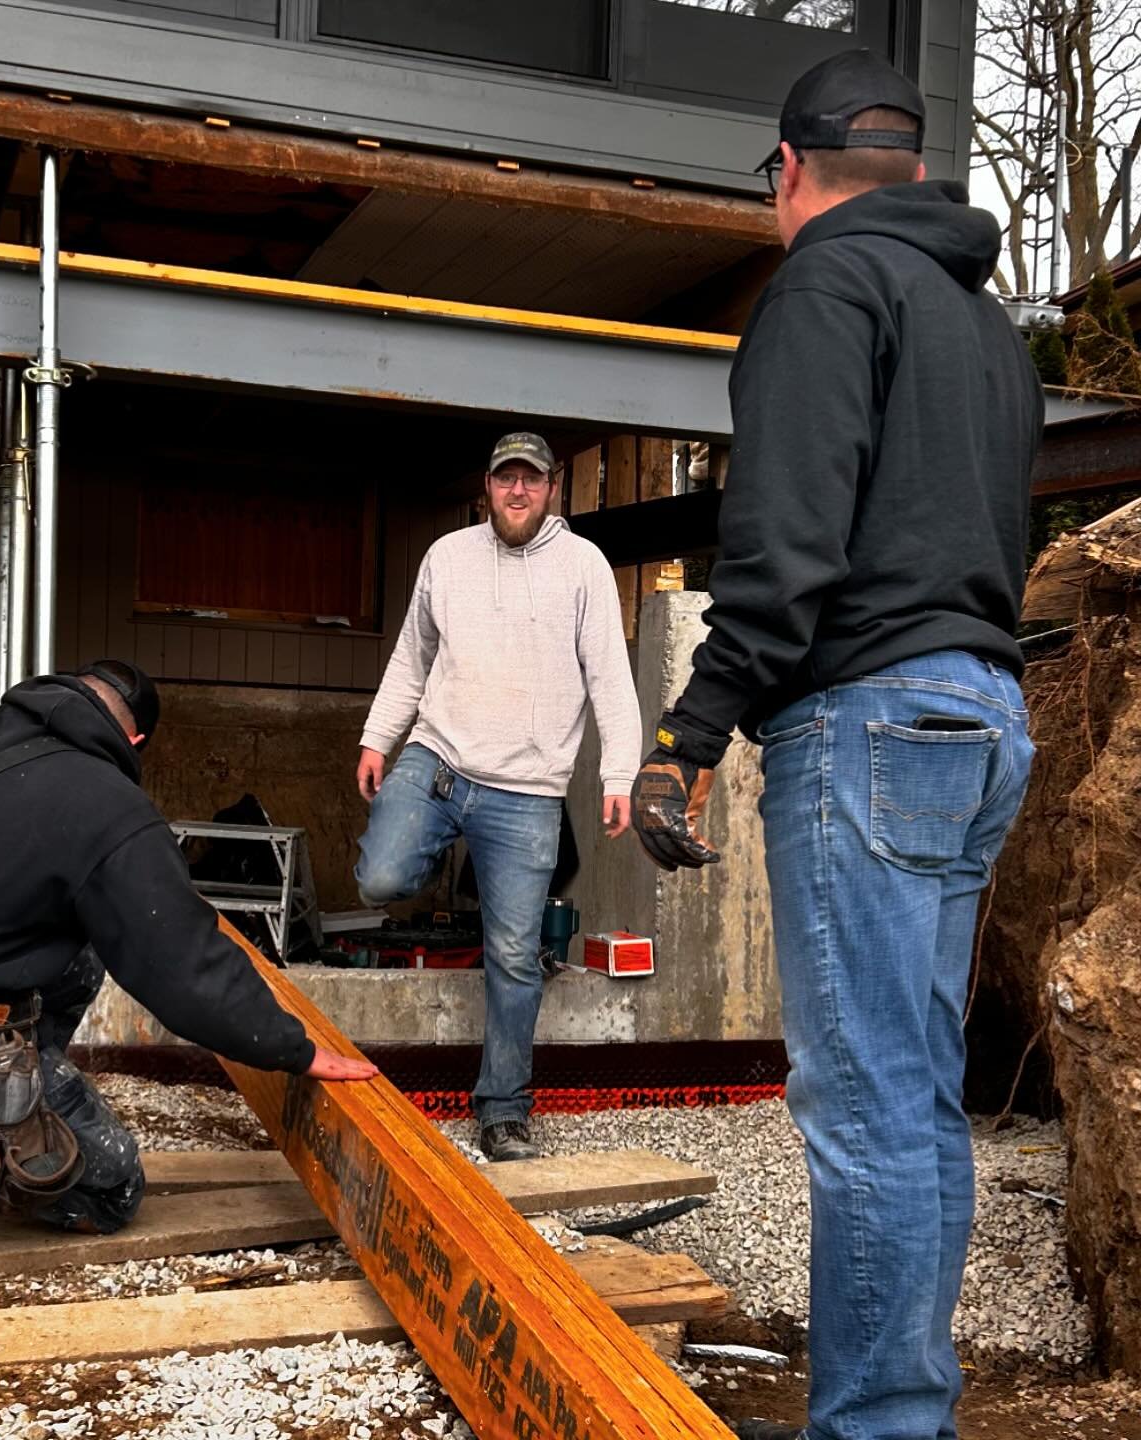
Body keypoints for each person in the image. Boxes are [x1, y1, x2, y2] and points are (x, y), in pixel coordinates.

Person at [630, 51, 1044, 1440]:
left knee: (864, 1112)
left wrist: (693, 729)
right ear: (914, 169)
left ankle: (876, 1427)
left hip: (868, 721)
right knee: (916, 1103)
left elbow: (787, 540)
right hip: (980, 717)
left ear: (790, 172)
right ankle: (904, 1410)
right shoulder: (986, 327)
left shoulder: (824, 285)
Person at [0, 660, 375, 1259]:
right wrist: (292, 1047)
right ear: (135, 739)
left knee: (79, 952)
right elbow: (181, 965)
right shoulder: (110, 805)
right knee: (112, 1188)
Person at [355, 431, 642, 1162]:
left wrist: (618, 775)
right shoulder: (447, 557)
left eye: (532, 480)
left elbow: (610, 675)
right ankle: (440, 855)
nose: (518, 491)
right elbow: (411, 656)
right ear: (487, 486)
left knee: (513, 956)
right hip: (439, 761)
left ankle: (503, 1110)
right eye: (505, 479)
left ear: (552, 490)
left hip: (526, 794)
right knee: (381, 877)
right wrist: (377, 738)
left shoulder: (584, 567)